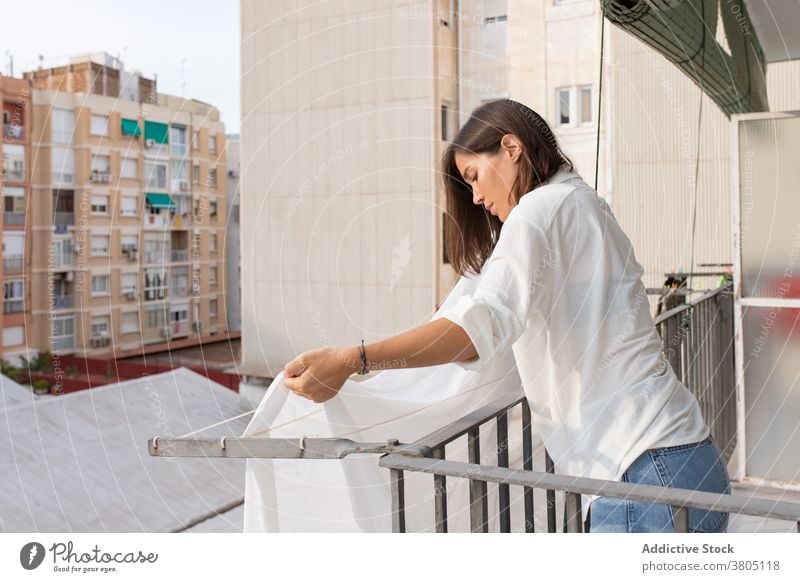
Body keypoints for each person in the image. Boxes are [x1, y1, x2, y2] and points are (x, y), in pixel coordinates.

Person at [282, 99, 731, 533]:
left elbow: (477, 331)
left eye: (474, 176)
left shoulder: (538, 210)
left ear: (511, 148)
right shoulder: (579, 201)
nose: (475, 197)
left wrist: (352, 360)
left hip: (642, 477)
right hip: (678, 460)